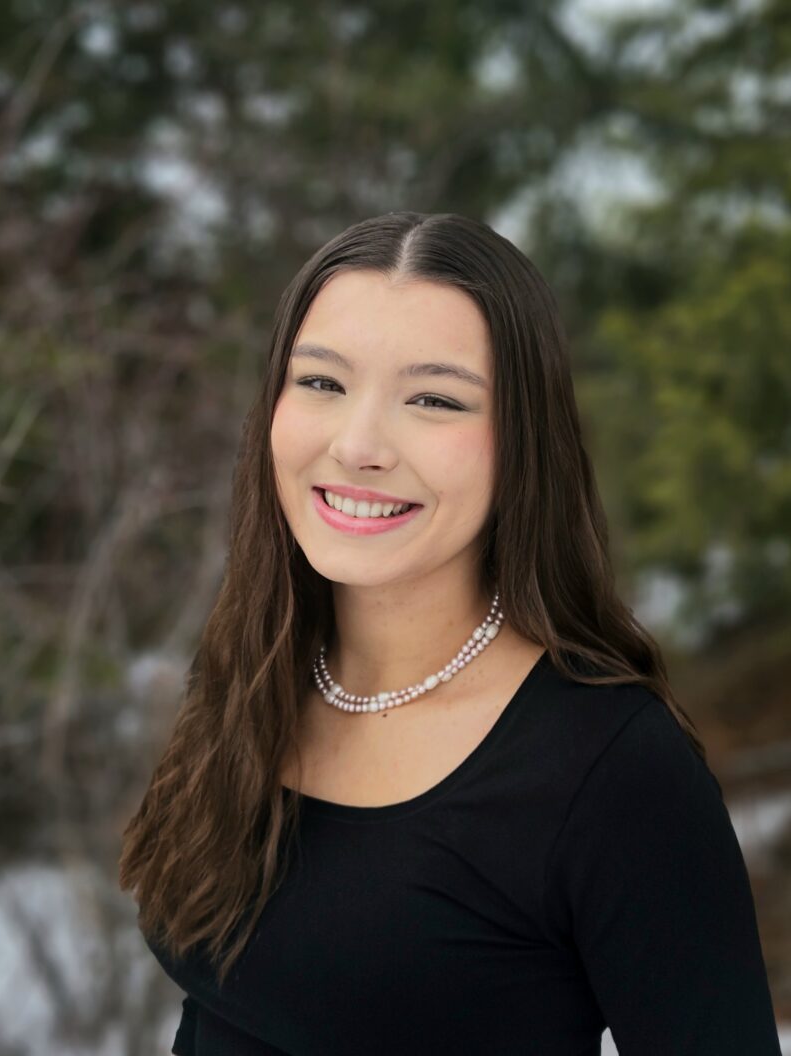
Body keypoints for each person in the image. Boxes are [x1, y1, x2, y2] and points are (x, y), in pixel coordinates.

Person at [119, 211, 782, 1055]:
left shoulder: (612, 769)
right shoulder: (254, 673)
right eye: (322, 382)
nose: (358, 445)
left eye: (433, 399)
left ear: (523, 445)